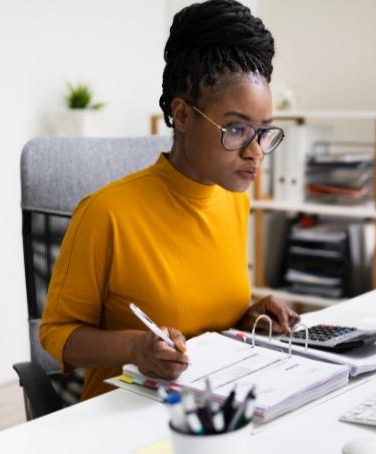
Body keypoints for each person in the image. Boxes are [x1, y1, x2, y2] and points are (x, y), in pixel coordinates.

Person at [40, 0, 299, 401]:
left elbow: (205, 314)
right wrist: (135, 348)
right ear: (182, 114)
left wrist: (249, 316)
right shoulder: (107, 213)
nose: (256, 152)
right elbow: (56, 334)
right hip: (124, 416)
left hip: (212, 407)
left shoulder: (234, 200)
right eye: (235, 128)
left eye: (263, 131)